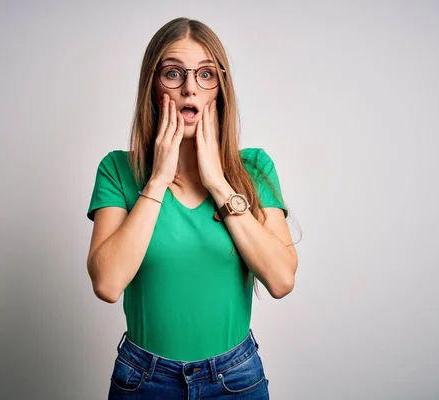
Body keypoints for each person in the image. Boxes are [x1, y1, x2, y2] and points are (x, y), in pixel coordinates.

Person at [86, 17, 299, 399]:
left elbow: (282, 280)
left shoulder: (254, 167)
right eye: (173, 73)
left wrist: (218, 182)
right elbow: (107, 283)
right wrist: (157, 181)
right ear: (152, 88)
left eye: (205, 75)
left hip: (234, 379)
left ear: (220, 89)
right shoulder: (117, 169)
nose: (189, 89)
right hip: (143, 380)